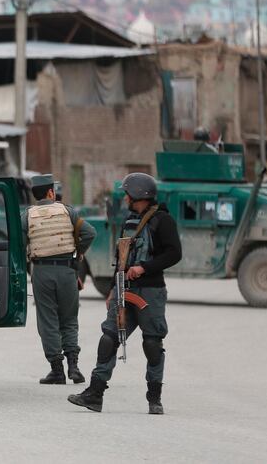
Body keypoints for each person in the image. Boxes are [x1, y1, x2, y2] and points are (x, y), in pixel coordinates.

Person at [68, 172, 181, 414]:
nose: (125, 198)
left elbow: (174, 253)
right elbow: (120, 259)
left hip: (150, 291)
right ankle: (95, 394)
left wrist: (144, 267)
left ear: (138, 194)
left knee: (152, 342)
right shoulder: (129, 221)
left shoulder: (163, 220)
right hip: (124, 289)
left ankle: (154, 399)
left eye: (128, 193)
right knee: (109, 337)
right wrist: (111, 290)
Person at [22, 174, 95, 385]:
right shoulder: (67, 211)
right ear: (51, 192)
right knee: (69, 319)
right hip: (67, 272)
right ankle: (74, 367)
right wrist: (79, 252)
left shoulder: (28, 215)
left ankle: (57, 370)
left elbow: (19, 242)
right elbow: (90, 233)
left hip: (42, 273)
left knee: (48, 322)